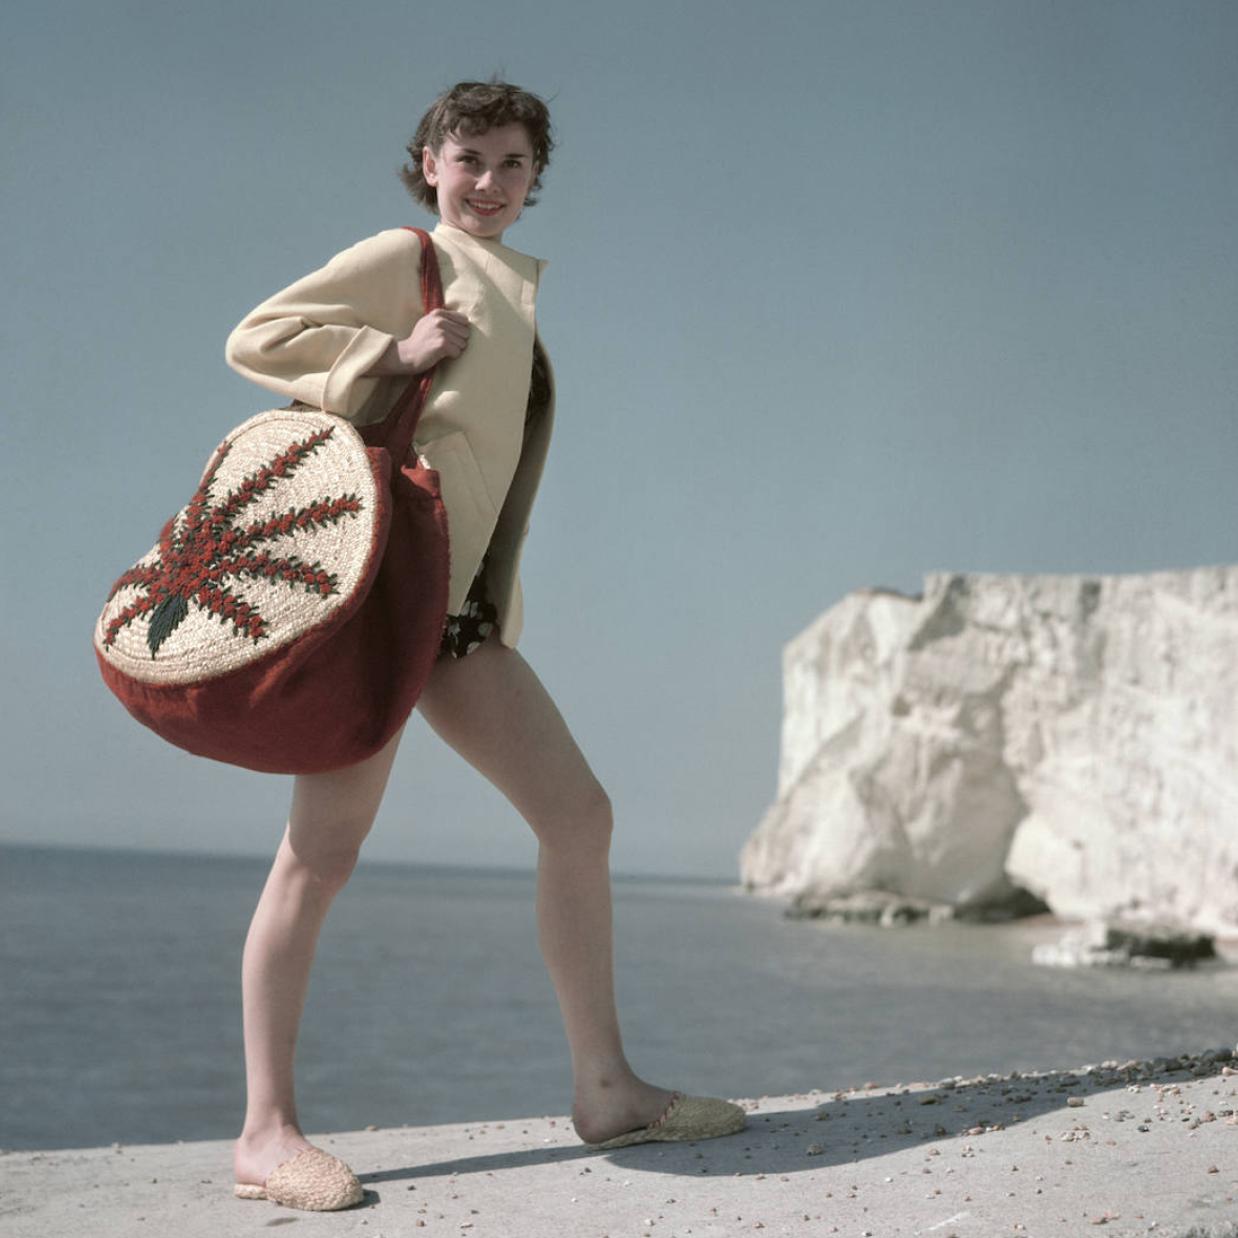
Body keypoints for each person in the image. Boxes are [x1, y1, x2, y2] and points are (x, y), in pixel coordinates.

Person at [223, 80, 746, 1212]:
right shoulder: (406, 252)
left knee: (578, 816)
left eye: (513, 164)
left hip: (456, 621)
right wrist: (389, 356)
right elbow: (254, 336)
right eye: (468, 157)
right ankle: (265, 1133)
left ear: (534, 180)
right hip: (374, 610)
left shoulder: (515, 288)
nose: (490, 182)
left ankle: (603, 1087)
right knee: (317, 859)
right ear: (425, 162)